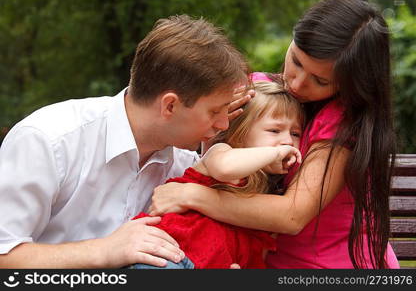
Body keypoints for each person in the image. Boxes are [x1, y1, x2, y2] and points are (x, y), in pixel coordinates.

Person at [149, 0, 400, 269]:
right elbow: (214, 150)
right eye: (297, 61)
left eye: (320, 80)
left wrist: (193, 196)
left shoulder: (342, 122)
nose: (297, 82)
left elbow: (291, 216)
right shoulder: (264, 92)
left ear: (351, 85)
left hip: (329, 266)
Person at [0, 15, 253, 268]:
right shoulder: (48, 140)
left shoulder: (186, 165)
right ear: (170, 105)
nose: (223, 125)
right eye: (214, 112)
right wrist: (103, 250)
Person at [129, 75, 304, 269]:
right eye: (274, 131)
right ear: (240, 132)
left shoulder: (267, 196)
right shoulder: (221, 153)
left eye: (295, 134)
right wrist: (275, 153)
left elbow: (256, 249)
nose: (288, 141)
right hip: (167, 254)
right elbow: (225, 169)